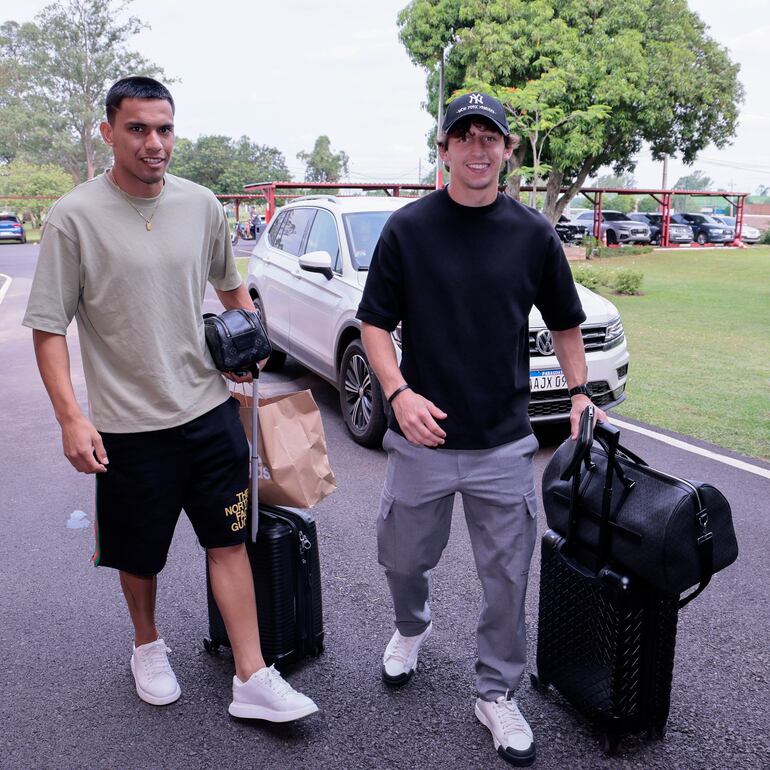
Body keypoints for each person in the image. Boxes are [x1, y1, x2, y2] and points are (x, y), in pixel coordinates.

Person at [22, 76, 318, 723]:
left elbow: (231, 288)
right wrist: (71, 417)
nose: (155, 144)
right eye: (138, 129)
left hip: (210, 412)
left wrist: (252, 339)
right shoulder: (74, 217)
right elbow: (48, 328)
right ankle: (147, 644)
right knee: (139, 552)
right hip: (128, 427)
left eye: (165, 129)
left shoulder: (202, 204)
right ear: (108, 133)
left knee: (230, 540)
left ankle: (251, 675)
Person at [357, 92, 606, 767]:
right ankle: (411, 627)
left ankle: (495, 691)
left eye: (489, 138)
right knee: (402, 557)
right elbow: (374, 324)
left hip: (502, 441)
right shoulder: (409, 230)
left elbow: (564, 321)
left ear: (507, 151)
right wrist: (397, 393)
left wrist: (580, 393)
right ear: (443, 150)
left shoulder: (531, 234)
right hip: (422, 438)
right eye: (463, 137)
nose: (477, 148)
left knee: (508, 578)